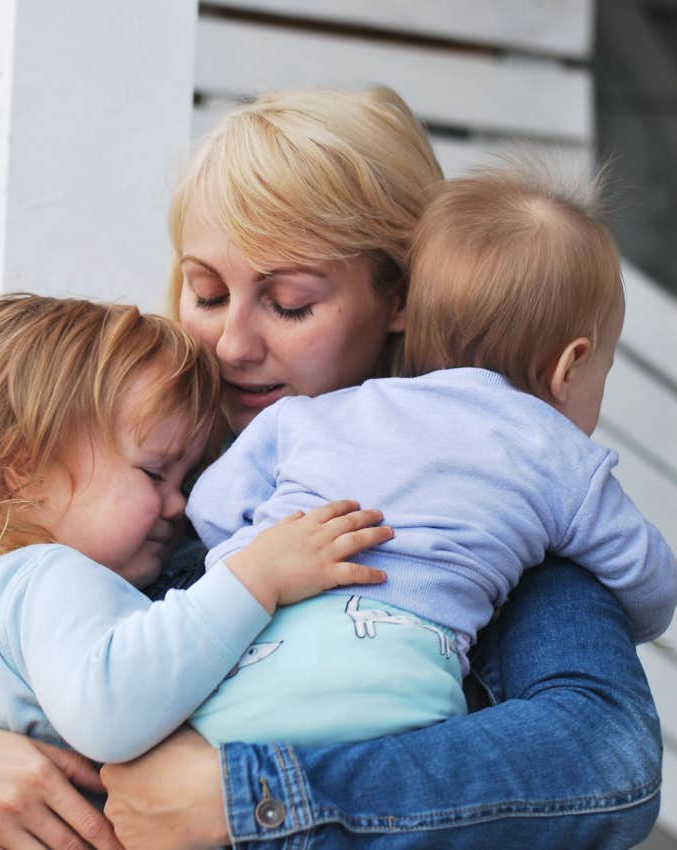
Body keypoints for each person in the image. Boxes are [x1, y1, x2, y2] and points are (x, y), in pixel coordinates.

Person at [0, 87, 663, 850]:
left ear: (403, 299)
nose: (233, 345)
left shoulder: (483, 507)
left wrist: (255, 798)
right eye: (206, 293)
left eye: (291, 303)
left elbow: (606, 760)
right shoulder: (137, 495)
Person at [0, 293, 392, 850]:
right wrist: (257, 577)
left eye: (186, 480)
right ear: (24, 469)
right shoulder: (55, 576)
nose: (178, 505)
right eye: (155, 472)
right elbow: (113, 709)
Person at [185, 168, 676, 748]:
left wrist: (269, 553)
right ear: (571, 366)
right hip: (400, 699)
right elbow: (650, 583)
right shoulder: (561, 457)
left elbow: (211, 506)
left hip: (237, 671)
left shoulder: (316, 414)